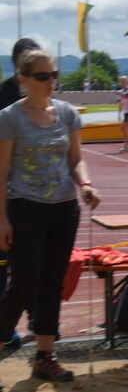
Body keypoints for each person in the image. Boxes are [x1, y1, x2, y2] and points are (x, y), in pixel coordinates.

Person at [0, 49, 101, 390]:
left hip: (63, 209)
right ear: (23, 80)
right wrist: (2, 219)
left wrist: (85, 184)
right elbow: (1, 174)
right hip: (25, 207)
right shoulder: (9, 118)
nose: (50, 81)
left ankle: (44, 355)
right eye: (42, 76)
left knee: (52, 283)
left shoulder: (67, 113)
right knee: (23, 284)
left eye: (54, 74)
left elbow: (76, 160)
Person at [0, 38, 42, 350]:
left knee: (32, 265)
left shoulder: (42, 97)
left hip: (33, 195)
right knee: (6, 265)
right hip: (8, 193)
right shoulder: (5, 97)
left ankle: (38, 325)